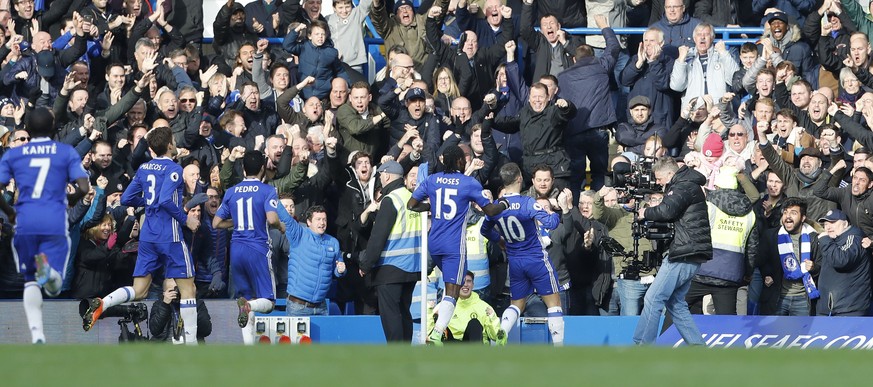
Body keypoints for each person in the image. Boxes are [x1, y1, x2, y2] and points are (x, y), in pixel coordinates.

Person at [82, 126, 202, 345]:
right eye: (173, 140)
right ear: (168, 145)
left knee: (139, 290)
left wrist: (148, 202)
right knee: (188, 289)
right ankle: (192, 345)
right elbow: (166, 200)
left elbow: (127, 198)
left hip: (148, 237)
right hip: (170, 236)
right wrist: (187, 220)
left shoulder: (144, 168)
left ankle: (103, 302)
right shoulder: (174, 169)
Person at [0, 107, 90, 344]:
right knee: (54, 287)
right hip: (53, 219)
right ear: (52, 128)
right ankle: (48, 272)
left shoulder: (13, 155)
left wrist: (9, 212)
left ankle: (37, 333)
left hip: (25, 220)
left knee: (30, 280)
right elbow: (83, 187)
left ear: (28, 128)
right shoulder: (64, 152)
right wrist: (69, 200)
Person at [407, 145, 509, 345]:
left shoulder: (432, 180)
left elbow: (412, 205)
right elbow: (490, 211)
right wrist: (503, 203)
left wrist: (431, 206)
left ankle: (439, 331)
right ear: (461, 162)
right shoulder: (468, 183)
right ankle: (436, 332)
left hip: (434, 243)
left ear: (445, 161)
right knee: (453, 292)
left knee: (446, 288)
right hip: (453, 245)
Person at [481, 163, 570, 346]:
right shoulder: (527, 203)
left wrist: (500, 240)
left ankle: (502, 331)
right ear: (520, 178)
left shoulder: (496, 206)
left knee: (516, 305)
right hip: (536, 259)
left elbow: (485, 230)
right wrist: (551, 211)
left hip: (515, 262)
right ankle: (560, 348)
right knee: (554, 304)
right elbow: (552, 224)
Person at [633, 156, 711, 345]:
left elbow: (666, 211)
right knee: (676, 304)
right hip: (691, 253)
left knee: (653, 298)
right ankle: (698, 347)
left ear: (670, 173)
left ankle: (642, 347)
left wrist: (645, 213)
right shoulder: (687, 184)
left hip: (683, 253)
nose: (658, 183)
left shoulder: (683, 186)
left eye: (659, 178)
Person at [212, 150, 284, 345]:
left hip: (236, 250)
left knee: (245, 298)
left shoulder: (231, 191)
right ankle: (249, 306)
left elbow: (216, 223)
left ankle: (248, 349)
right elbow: (271, 218)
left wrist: (235, 224)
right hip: (258, 249)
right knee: (268, 303)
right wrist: (281, 226)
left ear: (243, 169)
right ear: (262, 168)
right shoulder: (267, 190)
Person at [359, 161, 420, 342]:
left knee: (391, 317)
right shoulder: (410, 198)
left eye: (380, 176)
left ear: (386, 175)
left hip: (391, 267)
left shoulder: (391, 199)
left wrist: (366, 264)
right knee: (404, 314)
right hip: (411, 267)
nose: (379, 179)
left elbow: (378, 237)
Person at [278, 204, 346, 316]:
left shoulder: (333, 242)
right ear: (309, 222)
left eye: (324, 219)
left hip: (321, 307)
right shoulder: (299, 234)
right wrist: (271, 196)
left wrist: (341, 271)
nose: (322, 223)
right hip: (298, 306)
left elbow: (337, 270)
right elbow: (286, 218)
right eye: (318, 219)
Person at [758, 197, 821, 316]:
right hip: (778, 297)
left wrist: (813, 268)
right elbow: (761, 262)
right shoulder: (771, 235)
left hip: (803, 298)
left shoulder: (814, 238)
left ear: (803, 218)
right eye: (785, 212)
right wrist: (767, 275)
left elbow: (821, 265)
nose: (788, 216)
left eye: (793, 213)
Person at [816, 209, 872, 316]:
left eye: (833, 222)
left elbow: (842, 260)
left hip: (849, 309)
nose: (828, 227)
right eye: (826, 224)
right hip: (830, 308)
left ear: (845, 224)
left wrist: (824, 240)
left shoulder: (854, 237)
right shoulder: (832, 240)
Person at [426, 271, 502, 344]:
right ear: (457, 285)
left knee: (474, 323)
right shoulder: (445, 306)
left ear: (473, 285)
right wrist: (429, 312)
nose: (465, 284)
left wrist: (492, 318)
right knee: (441, 331)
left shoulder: (485, 308)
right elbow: (429, 334)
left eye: (469, 281)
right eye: (462, 281)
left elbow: (497, 337)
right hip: (452, 348)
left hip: (474, 349)